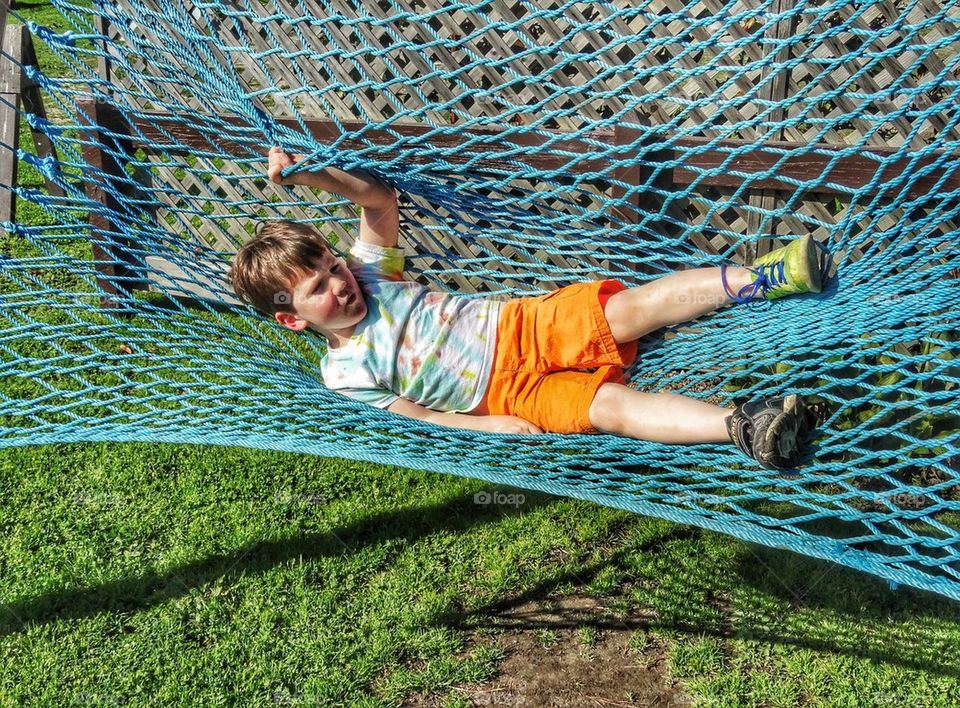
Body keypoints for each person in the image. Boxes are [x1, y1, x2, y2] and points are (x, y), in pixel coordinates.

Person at [228, 148, 829, 470]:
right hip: (503, 398)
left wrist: (313, 177)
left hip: (521, 326)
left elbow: (380, 199)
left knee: (635, 308)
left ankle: (766, 275)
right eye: (319, 290)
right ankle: (741, 425)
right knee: (608, 410)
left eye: (333, 267)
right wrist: (484, 425)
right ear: (292, 317)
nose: (339, 285)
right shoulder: (343, 375)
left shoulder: (370, 273)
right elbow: (415, 416)